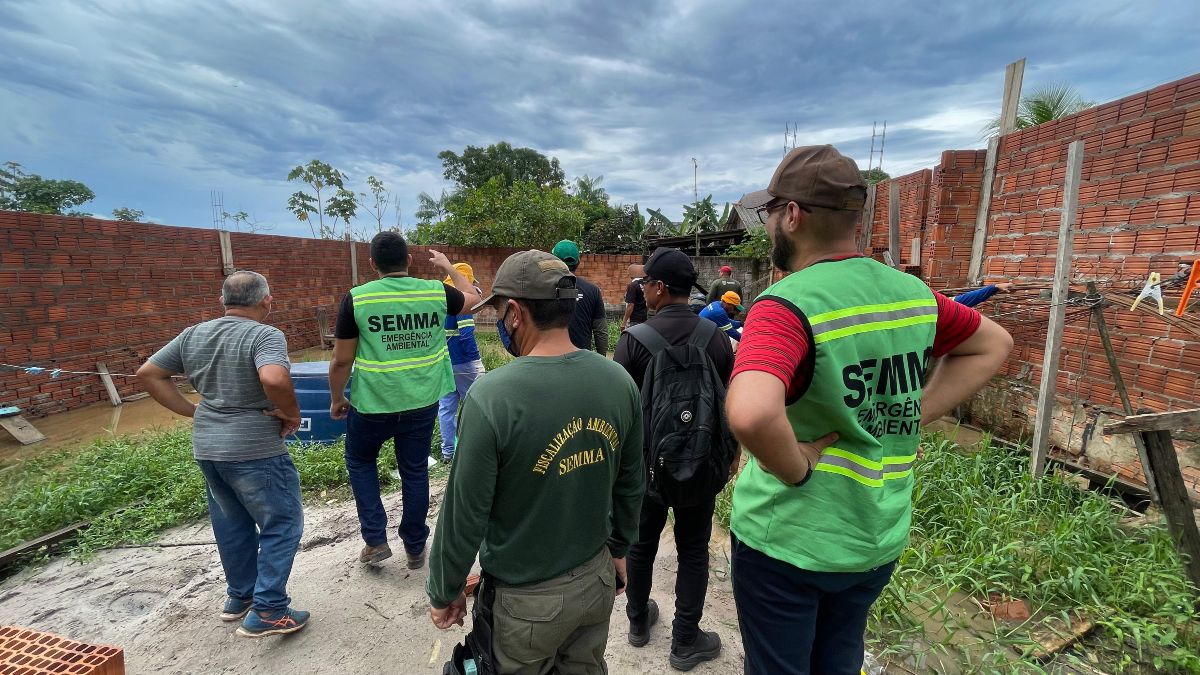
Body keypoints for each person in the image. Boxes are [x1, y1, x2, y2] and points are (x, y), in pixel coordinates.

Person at [725, 145, 1012, 674]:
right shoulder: (912, 295)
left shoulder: (787, 304)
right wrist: (911, 411)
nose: (769, 229)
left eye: (770, 216)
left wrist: (796, 465)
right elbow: (993, 344)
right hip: (874, 537)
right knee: (839, 660)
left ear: (791, 215)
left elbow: (751, 412)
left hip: (789, 539)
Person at [427, 250, 645, 675]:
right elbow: (631, 481)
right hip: (596, 582)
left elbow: (464, 512)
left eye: (500, 311)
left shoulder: (493, 397)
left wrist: (445, 588)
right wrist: (619, 550)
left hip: (525, 603)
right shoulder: (617, 380)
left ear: (515, 313)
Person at [136, 270, 310, 638]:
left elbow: (149, 373)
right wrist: (292, 413)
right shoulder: (265, 334)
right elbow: (275, 379)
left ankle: (240, 596)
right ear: (267, 301)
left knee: (232, 524)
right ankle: (269, 610)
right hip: (255, 449)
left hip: (209, 447)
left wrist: (192, 410)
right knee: (283, 523)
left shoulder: (193, 334)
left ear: (223, 302)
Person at [328, 232, 482, 568]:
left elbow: (341, 360)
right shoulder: (435, 291)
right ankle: (414, 546)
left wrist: (338, 397)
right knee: (414, 470)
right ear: (409, 261)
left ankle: (375, 540)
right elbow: (473, 296)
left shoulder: (358, 299)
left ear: (372, 264)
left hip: (373, 403)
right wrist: (447, 267)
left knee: (360, 461)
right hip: (421, 401)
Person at [613, 247, 734, 671]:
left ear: (660, 288)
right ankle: (685, 641)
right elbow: (727, 405)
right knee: (694, 550)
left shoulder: (633, 342)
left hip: (645, 467)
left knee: (641, 543)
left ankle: (638, 622)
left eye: (646, 282)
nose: (643, 289)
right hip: (700, 465)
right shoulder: (716, 337)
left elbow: (620, 413)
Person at [438, 262, 486, 463]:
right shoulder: (462, 301)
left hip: (445, 363)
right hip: (465, 363)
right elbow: (466, 335)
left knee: (446, 408)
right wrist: (476, 362)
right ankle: (478, 449)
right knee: (479, 405)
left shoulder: (440, 300)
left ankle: (448, 453)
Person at [552, 239, 609, 354]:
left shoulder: (542, 289)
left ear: (554, 261)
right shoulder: (592, 290)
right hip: (581, 359)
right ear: (578, 262)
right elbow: (601, 331)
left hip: (550, 360)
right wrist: (601, 360)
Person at [620, 263, 647, 331]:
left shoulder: (633, 286)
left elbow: (630, 305)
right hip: (643, 318)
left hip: (634, 320)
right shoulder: (645, 284)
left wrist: (624, 322)